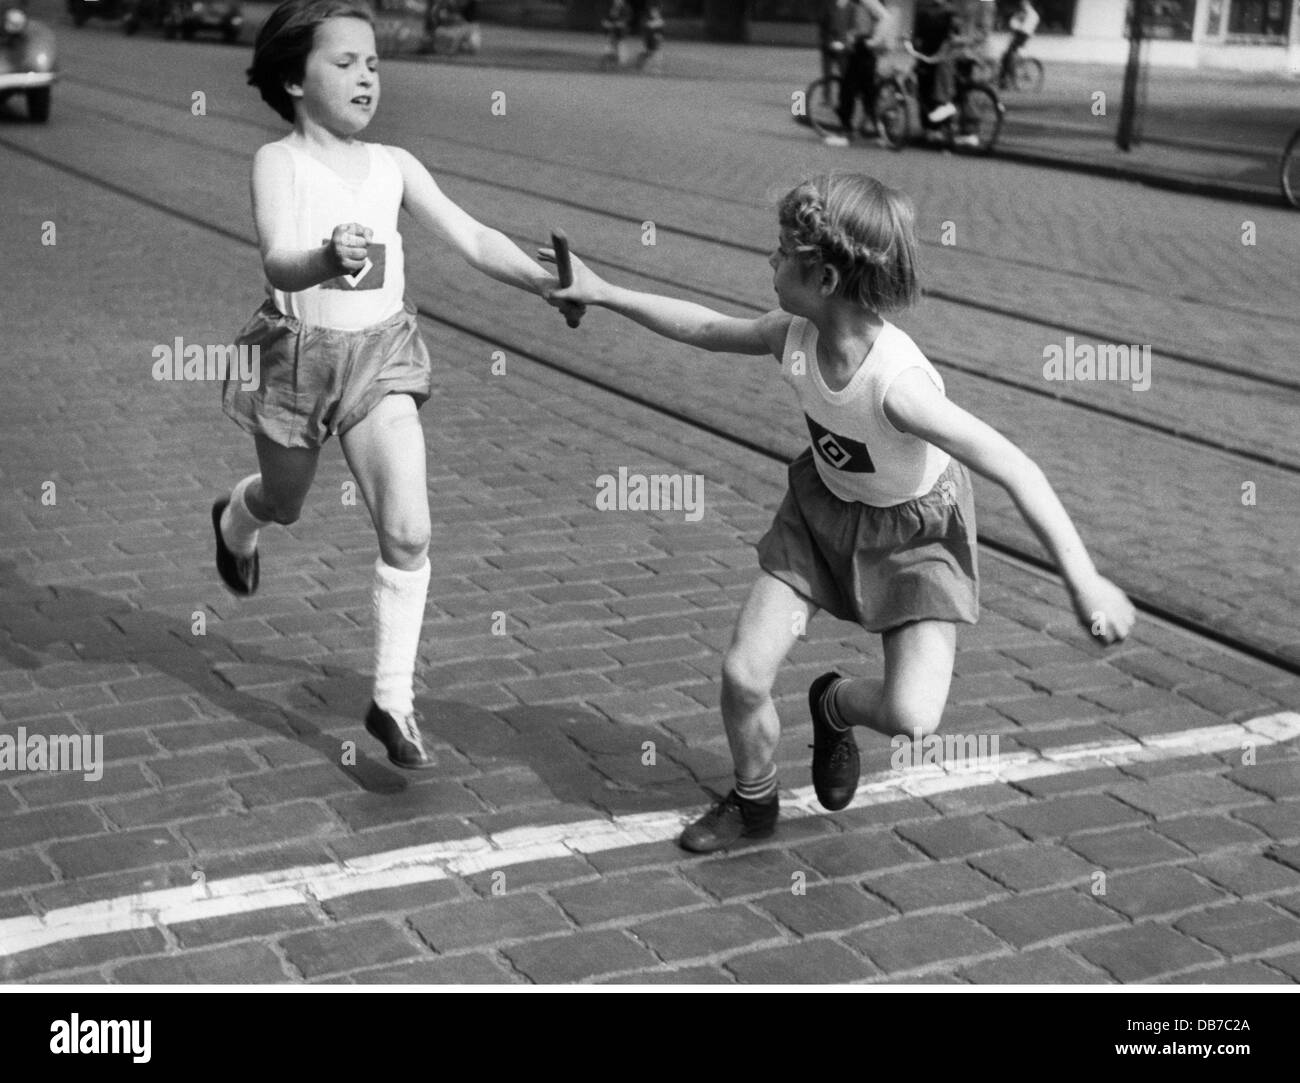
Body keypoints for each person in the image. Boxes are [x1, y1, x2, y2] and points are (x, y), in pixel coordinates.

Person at [542, 174, 1135, 852]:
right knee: (743, 672)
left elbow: (1015, 466)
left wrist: (1083, 579)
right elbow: (707, 327)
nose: (768, 262)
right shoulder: (790, 336)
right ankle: (754, 797)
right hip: (820, 516)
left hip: (914, 536)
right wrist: (604, 291)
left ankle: (834, 703)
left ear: (822, 277)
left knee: (912, 717)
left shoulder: (898, 387)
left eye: (780, 252)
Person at [216, 0, 582, 771]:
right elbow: (278, 259)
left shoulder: (395, 165)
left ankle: (391, 699)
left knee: (410, 529)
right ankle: (236, 519)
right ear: (291, 78)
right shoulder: (276, 162)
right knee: (286, 503)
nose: (365, 77)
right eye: (344, 63)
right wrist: (325, 257)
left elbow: (474, 235)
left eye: (373, 64)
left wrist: (544, 282)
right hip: (294, 357)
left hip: (381, 357)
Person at [826, 0, 893, 147]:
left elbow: (886, 18)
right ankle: (883, 134)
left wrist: (874, 41)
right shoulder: (858, 4)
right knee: (868, 94)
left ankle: (846, 134)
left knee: (847, 90)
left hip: (863, 51)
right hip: (862, 50)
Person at [912, 0, 961, 128]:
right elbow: (917, 34)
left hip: (940, 53)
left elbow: (953, 34)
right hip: (928, 53)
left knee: (935, 90)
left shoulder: (950, 10)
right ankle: (929, 128)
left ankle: (939, 128)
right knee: (924, 90)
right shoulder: (924, 8)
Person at [999, 0, 1038, 89]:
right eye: (1022, 2)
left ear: (1028, 3)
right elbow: (1012, 22)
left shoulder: (1032, 14)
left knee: (1009, 55)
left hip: (1023, 36)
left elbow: (1024, 28)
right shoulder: (1021, 12)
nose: (1022, 3)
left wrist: (1016, 25)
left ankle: (1007, 80)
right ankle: (1003, 79)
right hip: (1017, 35)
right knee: (1005, 56)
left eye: (1024, 2)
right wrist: (1015, 25)